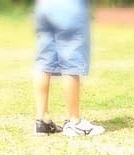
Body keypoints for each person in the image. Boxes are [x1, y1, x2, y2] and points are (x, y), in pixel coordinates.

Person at [33, 0, 104, 137]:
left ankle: (42, 120)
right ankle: (74, 121)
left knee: (44, 61)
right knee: (71, 61)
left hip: (44, 6)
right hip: (69, 6)